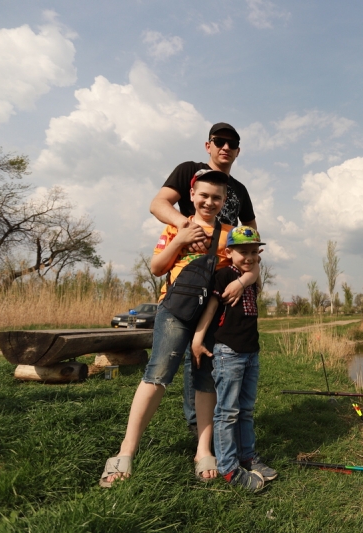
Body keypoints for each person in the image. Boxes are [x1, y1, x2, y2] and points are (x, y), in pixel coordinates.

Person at [99, 170, 258, 487]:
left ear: (224, 201)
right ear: (192, 195)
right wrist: (181, 240)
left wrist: (243, 280)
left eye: (216, 197)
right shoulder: (176, 227)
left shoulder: (228, 233)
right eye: (204, 195)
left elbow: (252, 262)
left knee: (205, 379)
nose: (209, 202)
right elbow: (157, 268)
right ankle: (125, 451)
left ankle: (203, 451)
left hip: (209, 317)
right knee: (157, 373)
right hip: (174, 310)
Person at [149, 122, 257, 437]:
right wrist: (188, 228)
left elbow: (250, 231)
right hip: (188, 279)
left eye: (232, 144)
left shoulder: (240, 189)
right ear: (208, 145)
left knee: (211, 352)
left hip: (224, 276)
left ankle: (220, 424)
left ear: (238, 151)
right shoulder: (189, 171)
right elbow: (158, 204)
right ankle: (198, 425)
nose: (226, 147)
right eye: (219, 141)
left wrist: (247, 272)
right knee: (182, 357)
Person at [191, 226, 276, 492]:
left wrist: (249, 275)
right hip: (228, 352)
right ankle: (229, 468)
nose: (248, 257)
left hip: (251, 352)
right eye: (242, 251)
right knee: (227, 412)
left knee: (246, 410)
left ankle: (247, 457)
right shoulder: (224, 274)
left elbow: (254, 271)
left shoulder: (251, 278)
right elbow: (212, 308)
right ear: (229, 252)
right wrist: (198, 338)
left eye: (253, 252)